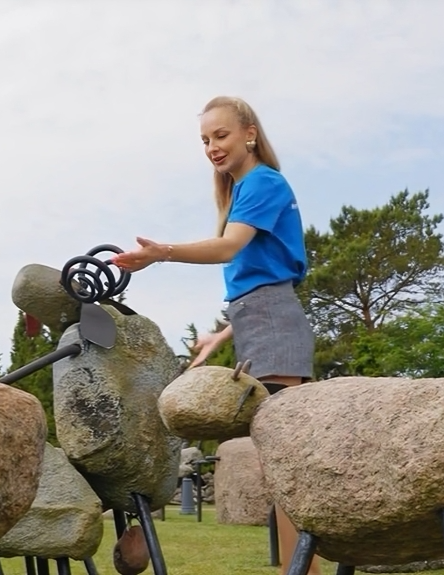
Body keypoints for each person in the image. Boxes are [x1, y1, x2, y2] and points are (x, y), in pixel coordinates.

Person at [110, 95, 320, 575]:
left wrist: (161, 252)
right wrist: (222, 335)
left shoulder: (263, 181)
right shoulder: (246, 188)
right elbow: (262, 284)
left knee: (284, 466)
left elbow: (231, 249)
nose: (212, 147)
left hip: (270, 321)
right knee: (280, 467)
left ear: (249, 132)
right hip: (259, 320)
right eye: (205, 140)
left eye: (220, 135)